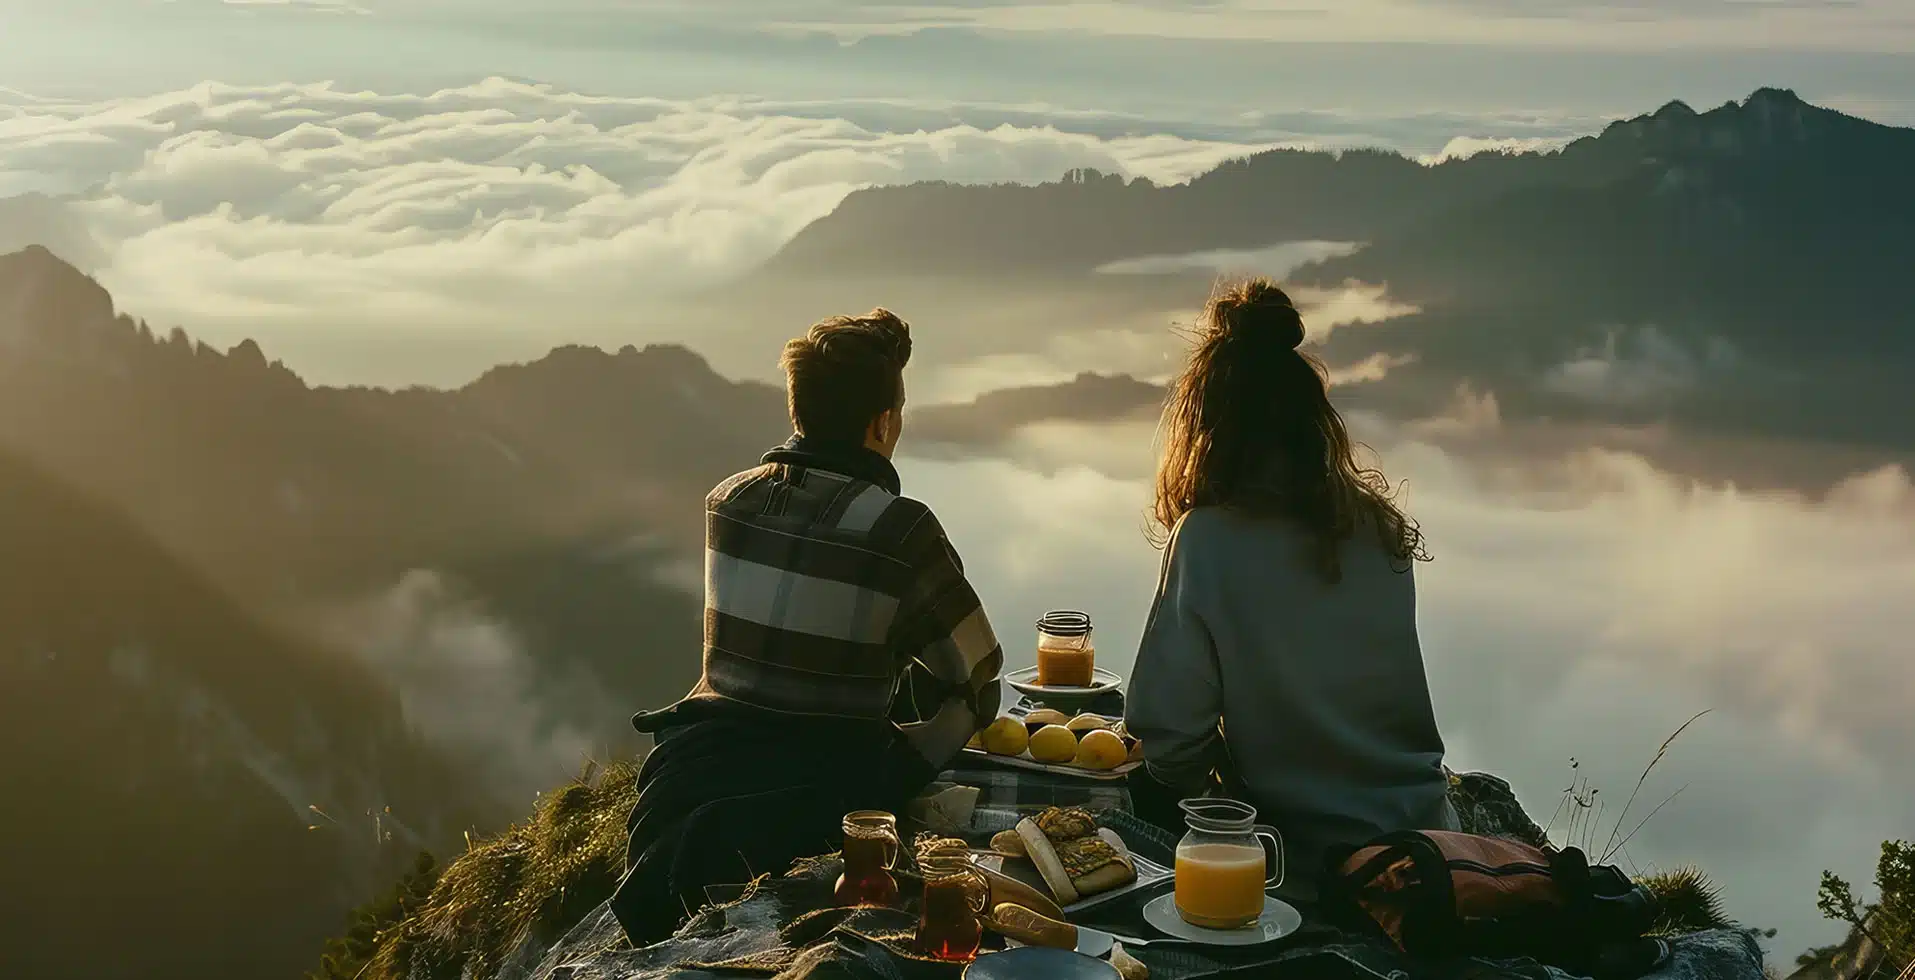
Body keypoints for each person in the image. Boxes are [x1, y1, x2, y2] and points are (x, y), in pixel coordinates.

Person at [610, 308, 1004, 945]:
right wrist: (904, 765)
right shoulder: (901, 530)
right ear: (883, 423)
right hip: (827, 795)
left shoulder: (727, 500)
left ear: (800, 412)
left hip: (692, 772)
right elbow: (981, 682)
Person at [1123, 278, 1456, 885]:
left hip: (1300, 854)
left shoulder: (1207, 541)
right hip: (1425, 839)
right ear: (1313, 423)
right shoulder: (1379, 530)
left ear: (1209, 430)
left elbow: (1168, 739)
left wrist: (1220, 776)